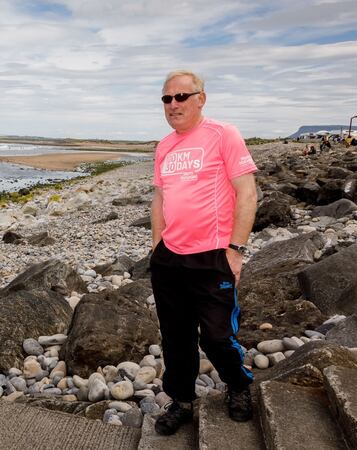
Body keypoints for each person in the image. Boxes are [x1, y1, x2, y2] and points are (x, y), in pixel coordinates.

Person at [149, 71, 258, 436]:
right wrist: (156, 248)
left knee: (215, 336)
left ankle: (238, 384)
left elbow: (247, 193)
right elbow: (160, 200)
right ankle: (180, 401)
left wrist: (236, 251)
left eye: (182, 96)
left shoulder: (223, 134)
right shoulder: (164, 146)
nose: (174, 104)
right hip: (170, 259)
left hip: (212, 256)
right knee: (175, 337)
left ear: (201, 98)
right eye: (167, 98)